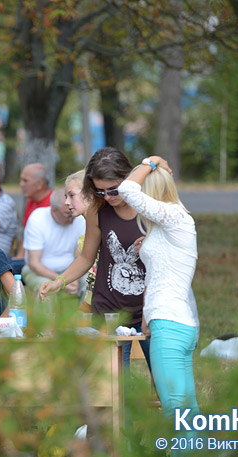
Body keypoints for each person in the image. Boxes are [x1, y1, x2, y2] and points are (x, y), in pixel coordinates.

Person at [118, 155, 199, 457]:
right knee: (188, 411)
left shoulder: (174, 216)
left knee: (175, 412)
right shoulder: (169, 224)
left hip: (171, 326)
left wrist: (149, 162)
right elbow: (161, 271)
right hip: (173, 323)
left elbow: (127, 189)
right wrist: (146, 316)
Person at [39, 148, 149, 369]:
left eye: (113, 190)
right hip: (108, 313)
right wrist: (59, 282)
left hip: (149, 310)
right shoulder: (97, 211)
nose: (107, 197)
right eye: (100, 192)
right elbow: (86, 258)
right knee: (113, 388)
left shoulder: (149, 208)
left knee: (165, 384)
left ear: (128, 180)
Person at [22, 189, 86, 294]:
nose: (72, 217)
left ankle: (86, 311)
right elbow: (34, 263)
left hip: (68, 269)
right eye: (67, 214)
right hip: (37, 271)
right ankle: (45, 312)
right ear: (53, 210)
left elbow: (82, 255)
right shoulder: (37, 218)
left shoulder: (78, 218)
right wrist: (61, 280)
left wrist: (72, 276)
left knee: (90, 282)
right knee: (45, 287)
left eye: (73, 211)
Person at [63, 170, 98, 310]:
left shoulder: (102, 225)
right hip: (91, 303)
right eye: (66, 196)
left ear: (90, 195)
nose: (66, 202)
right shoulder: (84, 224)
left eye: (72, 196)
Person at [11, 163, 54, 272]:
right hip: (29, 259)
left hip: (45, 263)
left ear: (39, 184)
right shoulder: (31, 201)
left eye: (25, 181)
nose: (21, 184)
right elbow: (28, 234)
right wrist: (19, 257)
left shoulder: (54, 205)